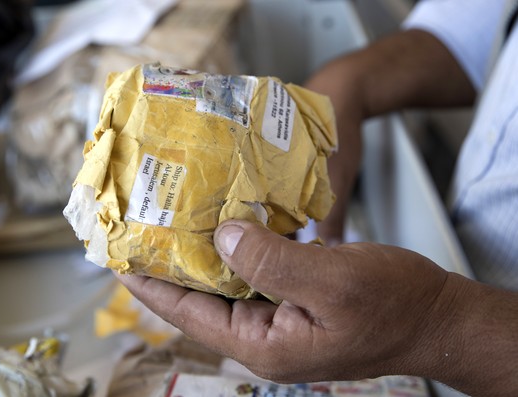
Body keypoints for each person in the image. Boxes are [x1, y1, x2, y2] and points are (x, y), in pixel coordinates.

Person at [115, 1, 518, 396]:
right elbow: (470, 32)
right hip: (448, 254)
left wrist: (438, 324)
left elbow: (439, 323)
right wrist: (347, 84)